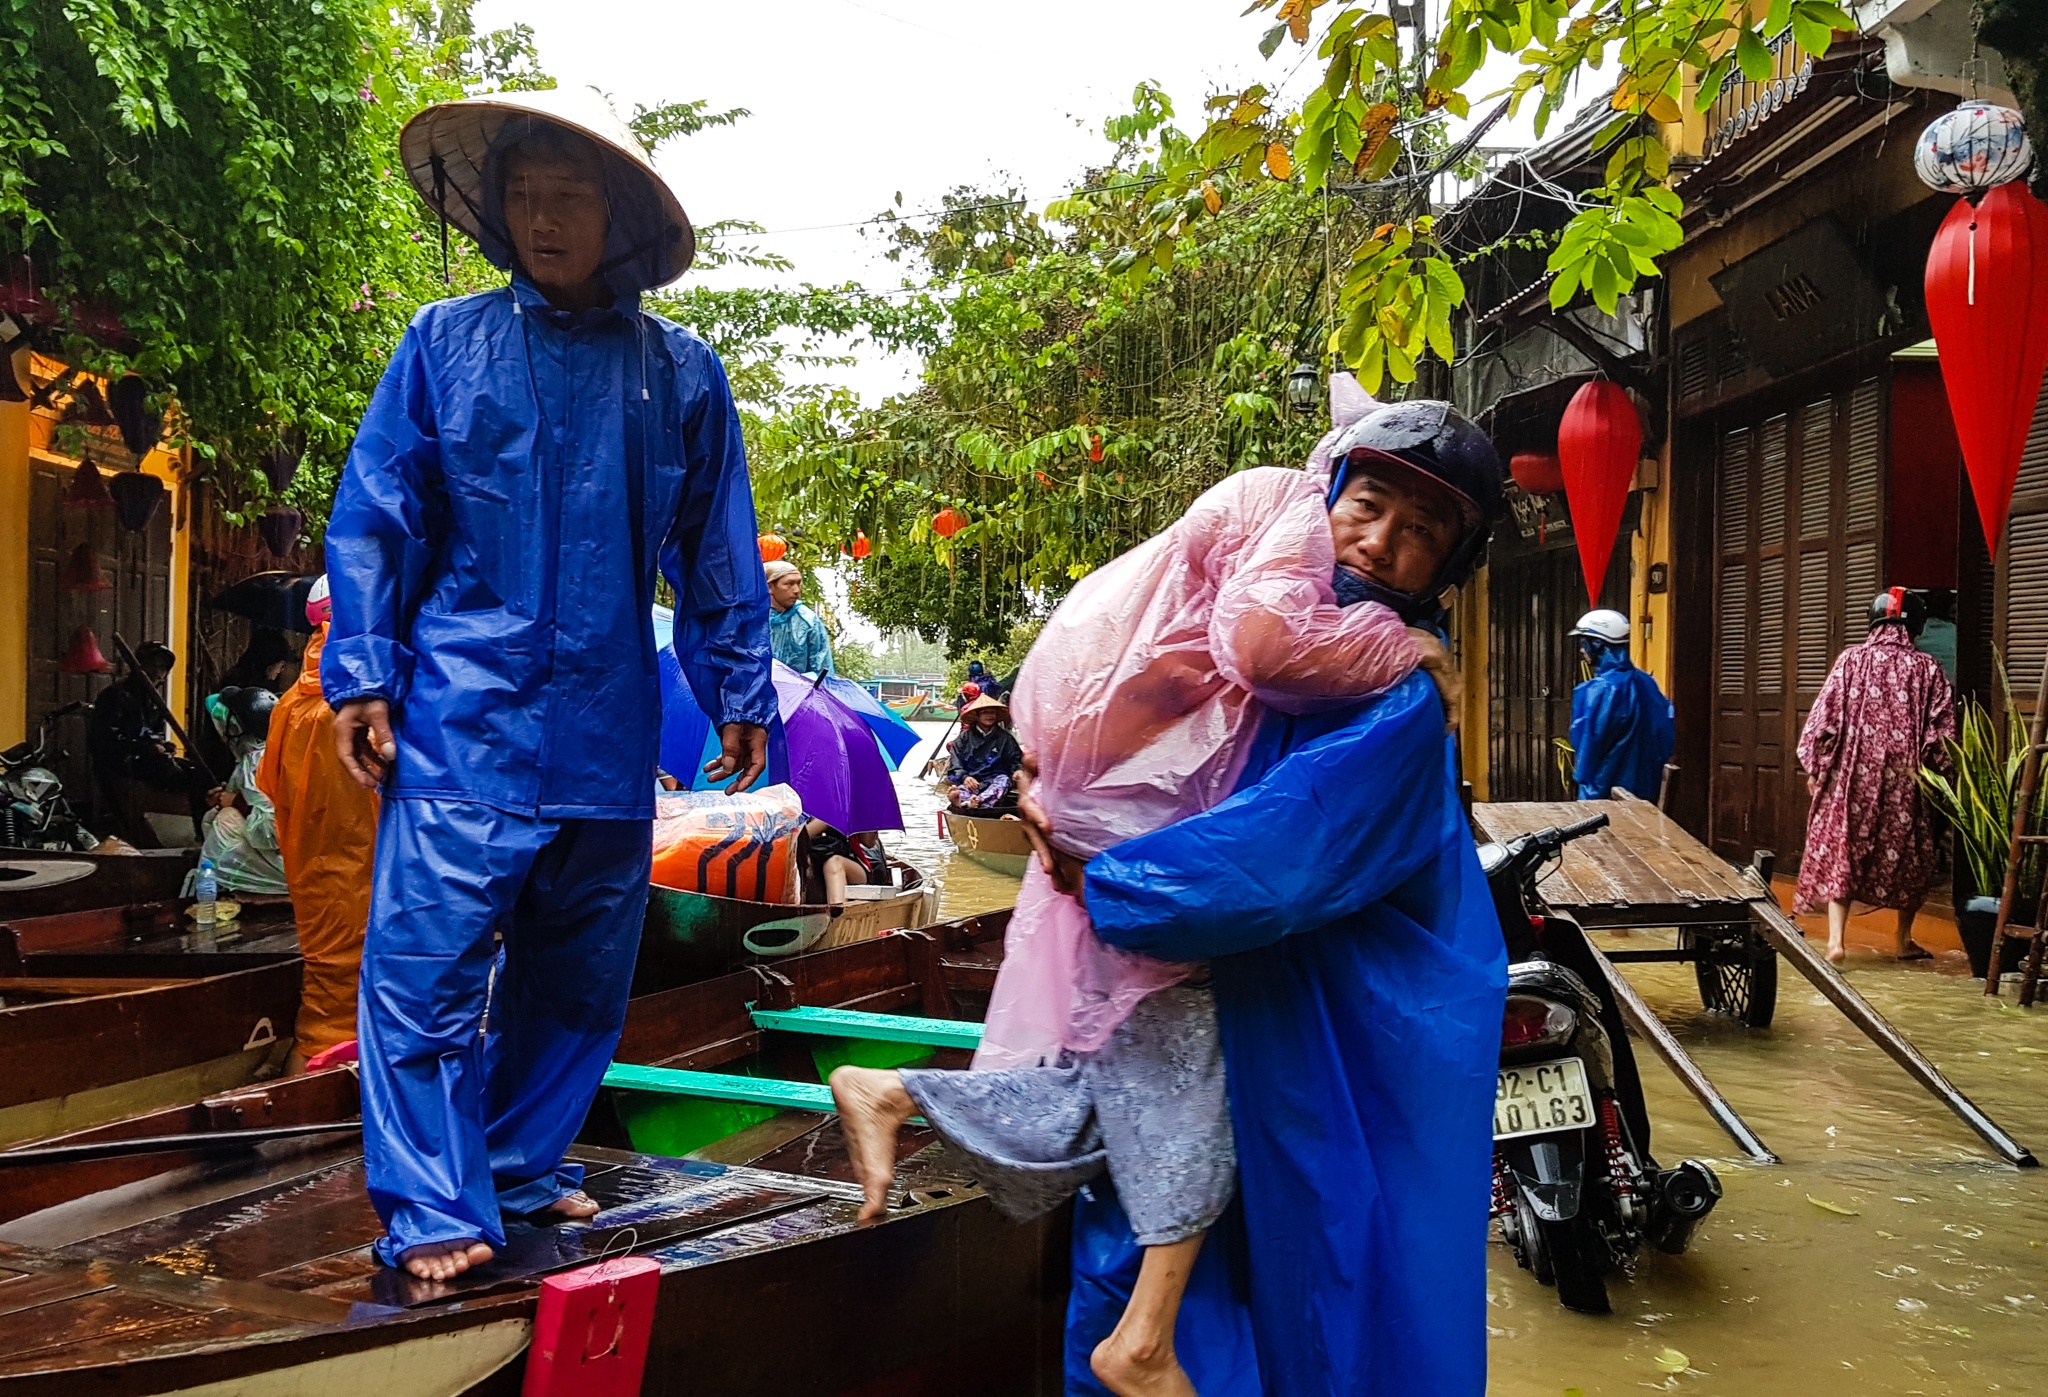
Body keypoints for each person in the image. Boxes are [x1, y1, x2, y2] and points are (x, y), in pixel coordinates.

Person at [832, 402, 1485, 1397]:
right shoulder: (1299, 642)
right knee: (1155, 1152)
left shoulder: (1384, 691)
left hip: (1306, 1031)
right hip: (1255, 1017)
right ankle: (919, 1114)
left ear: (1445, 566)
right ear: (1327, 497)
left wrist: (1101, 878)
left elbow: (1271, 862)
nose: (1381, 541)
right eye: (1368, 504)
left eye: (1420, 532)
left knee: (1230, 1233)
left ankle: (908, 1099)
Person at [322, 87, 774, 1282]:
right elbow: (376, 515)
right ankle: (430, 1208)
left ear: (615, 213)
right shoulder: (442, 343)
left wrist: (738, 685)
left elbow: (717, 542)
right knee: (423, 966)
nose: (542, 215)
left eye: (567, 194)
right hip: (464, 717)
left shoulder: (679, 373)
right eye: (523, 193)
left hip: (604, 725)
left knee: (579, 976)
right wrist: (362, 665)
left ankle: (519, 1166)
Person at [255, 576, 380, 1071]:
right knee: (363, 984)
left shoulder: (289, 705)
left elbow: (269, 785)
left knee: (328, 976)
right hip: (368, 870)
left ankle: (311, 1068)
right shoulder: (371, 704)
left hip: (313, 865)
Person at [1796, 587, 1957, 963]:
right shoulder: (1927, 669)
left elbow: (1824, 721)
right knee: (1910, 855)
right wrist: (1941, 779)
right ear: (1914, 626)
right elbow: (1943, 736)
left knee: (1844, 850)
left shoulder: (1850, 661)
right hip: (1904, 780)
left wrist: (1816, 768)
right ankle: (1903, 940)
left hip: (1850, 779)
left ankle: (1836, 941)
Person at [87, 640, 210, 845]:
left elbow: (155, 734)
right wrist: (145, 748)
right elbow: (105, 742)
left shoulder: (153, 701)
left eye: (163, 667)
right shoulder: (116, 696)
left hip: (147, 760)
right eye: (154, 665)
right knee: (181, 776)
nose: (159, 672)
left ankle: (199, 829)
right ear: (140, 665)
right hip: (124, 764)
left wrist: (163, 746)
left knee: (196, 773)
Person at [189, 686, 289, 897]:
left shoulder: (256, 762)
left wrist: (236, 804)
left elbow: (270, 833)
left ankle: (214, 891)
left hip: (293, 865)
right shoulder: (270, 753)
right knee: (216, 816)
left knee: (225, 820)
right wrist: (230, 799)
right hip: (301, 858)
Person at [1567, 608, 1675, 801]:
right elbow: (1666, 734)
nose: (1582, 650)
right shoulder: (1647, 683)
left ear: (1598, 643)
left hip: (1604, 793)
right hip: (1647, 792)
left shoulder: (1599, 690)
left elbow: (1588, 746)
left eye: (1584, 643)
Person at [946, 692, 1022, 809]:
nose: (990, 715)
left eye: (992, 712)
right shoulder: (964, 738)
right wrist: (965, 777)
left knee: (1003, 781)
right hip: (972, 779)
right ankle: (964, 800)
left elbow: (1014, 759)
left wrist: (1017, 770)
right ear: (976, 716)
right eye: (985, 712)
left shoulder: (1005, 738)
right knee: (962, 789)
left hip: (996, 778)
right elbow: (956, 763)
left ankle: (976, 802)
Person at [766, 559, 834, 677]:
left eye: (798, 583)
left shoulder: (808, 621)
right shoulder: (752, 618)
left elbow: (822, 672)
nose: (797, 590)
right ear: (770, 587)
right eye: (789, 584)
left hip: (798, 693)